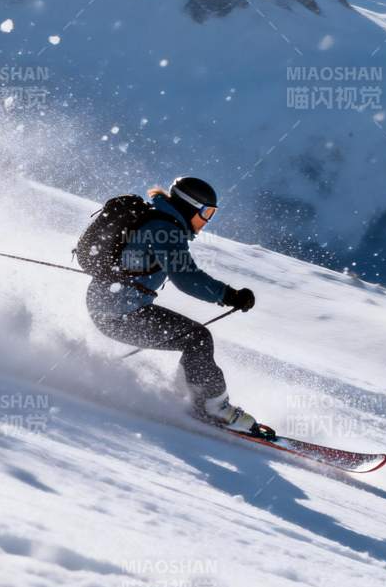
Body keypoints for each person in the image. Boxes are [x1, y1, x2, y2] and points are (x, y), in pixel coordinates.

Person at [84, 176, 267, 435]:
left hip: (111, 306)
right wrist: (230, 295)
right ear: (191, 207)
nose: (207, 220)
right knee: (198, 339)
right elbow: (186, 277)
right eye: (207, 213)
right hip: (119, 313)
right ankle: (213, 407)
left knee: (194, 339)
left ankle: (190, 398)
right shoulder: (166, 228)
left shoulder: (158, 219)